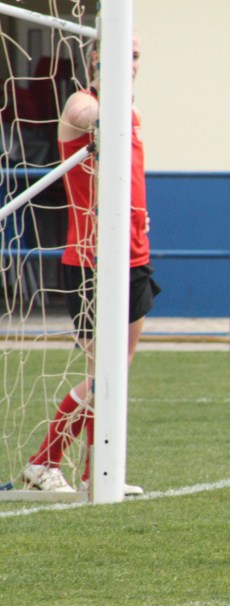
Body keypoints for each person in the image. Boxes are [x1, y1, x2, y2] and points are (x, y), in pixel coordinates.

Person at [21, 35, 158, 496]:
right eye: (124, 54)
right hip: (91, 259)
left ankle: (96, 473)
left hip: (135, 255)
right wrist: (108, 105)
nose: (131, 63)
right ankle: (43, 463)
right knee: (103, 372)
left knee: (120, 368)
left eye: (136, 55)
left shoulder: (132, 114)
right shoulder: (85, 103)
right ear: (98, 58)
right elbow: (82, 116)